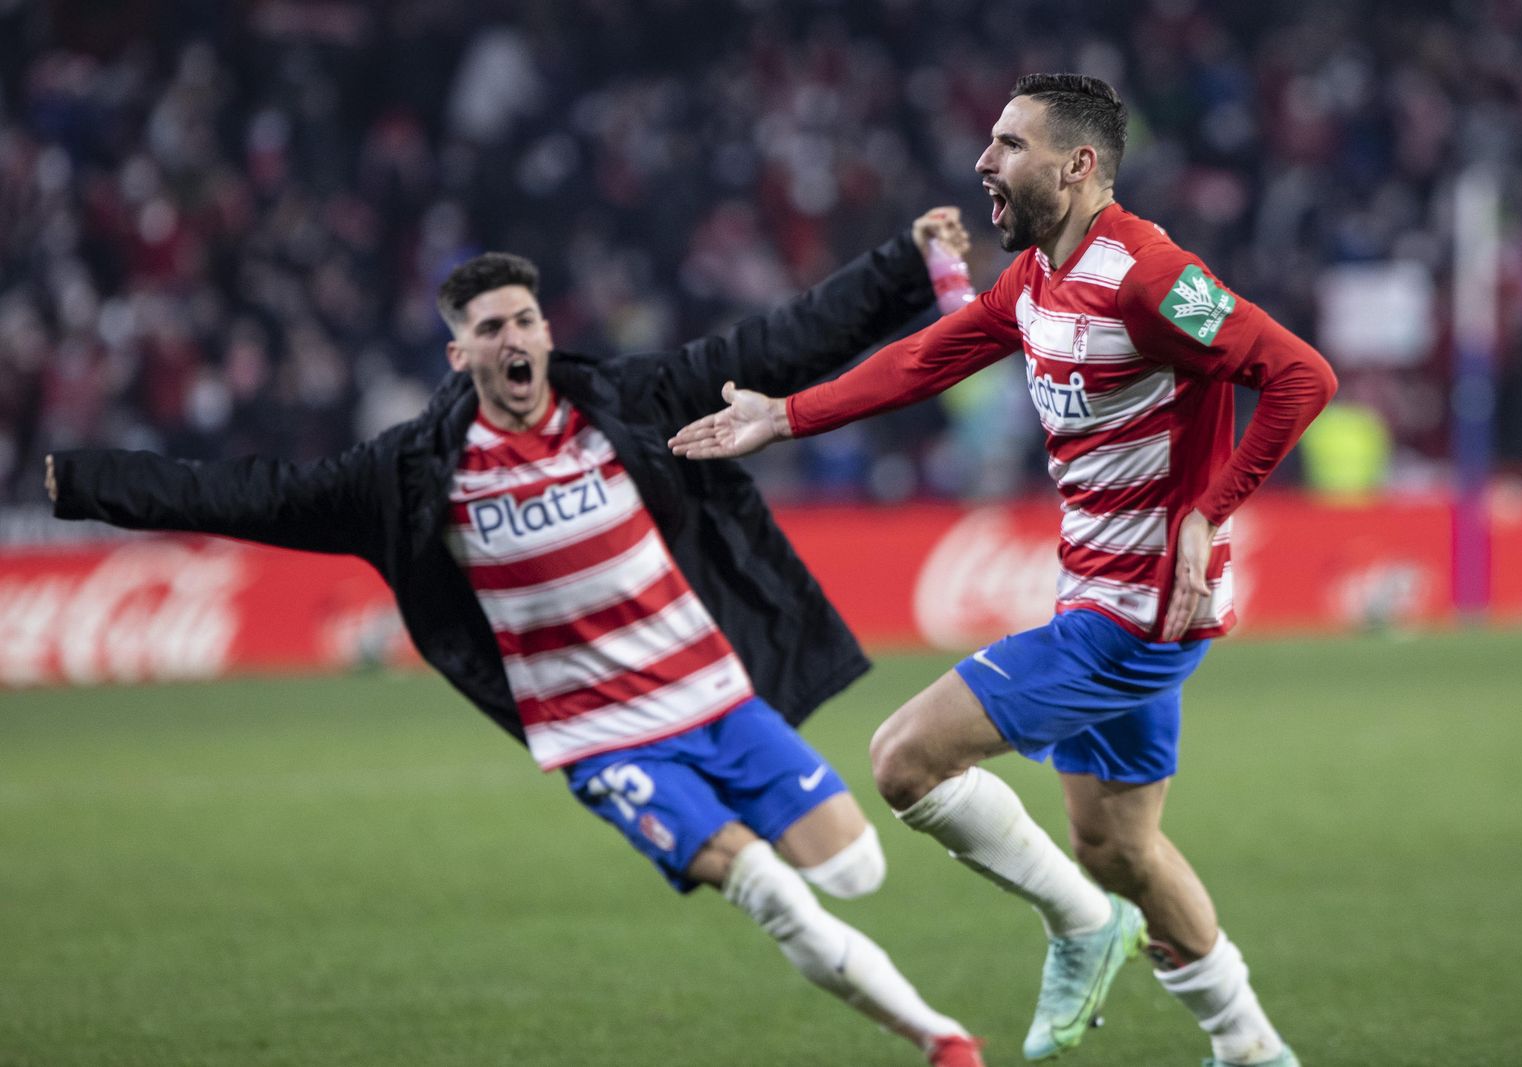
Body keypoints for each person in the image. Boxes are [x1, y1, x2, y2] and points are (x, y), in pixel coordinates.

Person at [44, 209, 988, 1067]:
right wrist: (82, 483)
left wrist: (902, 264)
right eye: (490, 328)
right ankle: (941, 1041)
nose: (514, 339)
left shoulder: (620, 404)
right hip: (603, 737)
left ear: (546, 329)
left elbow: (775, 344)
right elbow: (249, 493)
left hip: (716, 697)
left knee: (856, 868)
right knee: (774, 896)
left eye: (525, 320)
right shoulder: (412, 473)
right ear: (460, 356)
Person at [670, 73, 1338, 1067]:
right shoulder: (1037, 277)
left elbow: (1300, 375)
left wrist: (1207, 508)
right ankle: (1248, 1042)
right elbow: (930, 356)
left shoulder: (1151, 276)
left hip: (1142, 608)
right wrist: (785, 414)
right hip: (1095, 588)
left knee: (904, 758)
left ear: (1077, 166)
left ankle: (1081, 925)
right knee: (1119, 847)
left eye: (1008, 144)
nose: (983, 160)